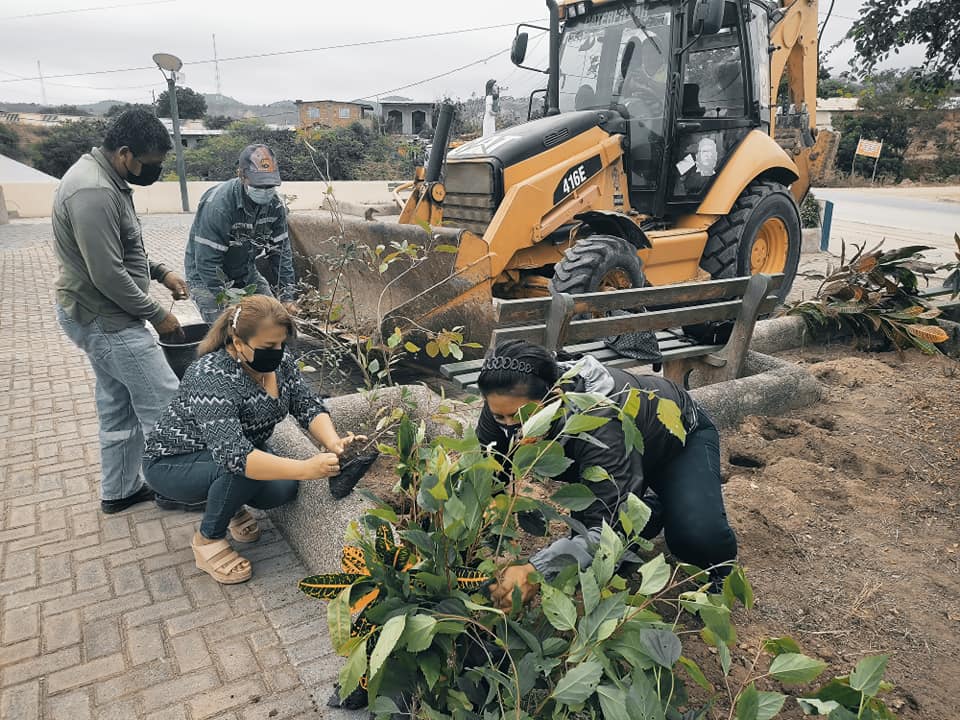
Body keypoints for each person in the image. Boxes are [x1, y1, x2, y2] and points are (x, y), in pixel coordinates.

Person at [477, 340, 737, 610]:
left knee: (694, 536)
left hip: (676, 442)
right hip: (619, 462)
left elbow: (606, 530)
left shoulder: (599, 420)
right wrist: (490, 509)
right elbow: (488, 472)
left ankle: (718, 571)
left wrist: (535, 570)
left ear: (554, 396)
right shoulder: (505, 402)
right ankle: (649, 507)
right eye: (500, 418)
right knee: (592, 566)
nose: (513, 429)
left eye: (520, 417)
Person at [143, 295, 363, 584]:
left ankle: (231, 504)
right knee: (241, 470)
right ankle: (208, 540)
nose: (278, 352)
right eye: (269, 346)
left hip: (234, 453)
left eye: (282, 343)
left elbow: (306, 404)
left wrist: (333, 442)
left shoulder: (280, 363)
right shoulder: (211, 376)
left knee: (282, 490)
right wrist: (306, 468)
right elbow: (234, 455)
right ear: (237, 342)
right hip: (173, 463)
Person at [53, 108, 189, 515]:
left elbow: (120, 249)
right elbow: (108, 274)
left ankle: (121, 490)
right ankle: (179, 488)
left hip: (98, 314)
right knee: (165, 403)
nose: (154, 172)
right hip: (106, 319)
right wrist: (157, 314)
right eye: (151, 163)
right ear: (125, 153)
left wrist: (160, 272)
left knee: (118, 405)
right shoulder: (93, 191)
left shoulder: (104, 179)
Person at [183, 144, 295, 324]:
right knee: (230, 327)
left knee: (274, 319)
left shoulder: (275, 206)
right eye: (259, 184)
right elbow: (207, 263)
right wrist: (230, 302)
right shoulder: (219, 206)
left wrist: (287, 297)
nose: (265, 190)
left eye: (270, 185)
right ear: (241, 175)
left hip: (245, 272)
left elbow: (281, 254)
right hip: (206, 278)